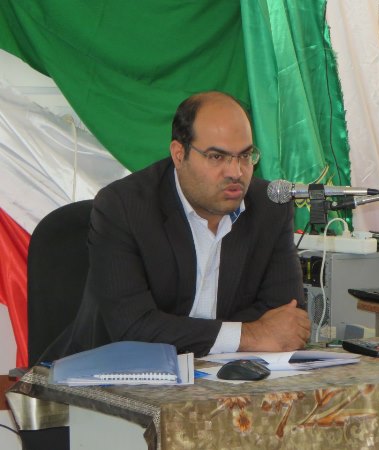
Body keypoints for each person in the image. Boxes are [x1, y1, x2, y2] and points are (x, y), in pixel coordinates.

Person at [45, 91, 310, 359]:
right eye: (217, 157)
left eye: (245, 155)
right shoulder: (124, 207)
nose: (236, 172)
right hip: (116, 371)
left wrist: (185, 333)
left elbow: (286, 318)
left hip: (224, 372)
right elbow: (132, 328)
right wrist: (249, 335)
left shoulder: (269, 207)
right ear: (179, 154)